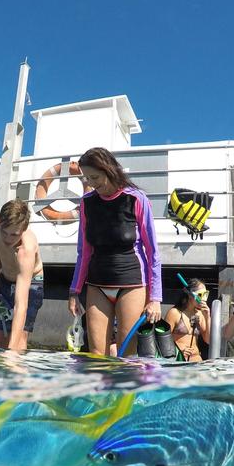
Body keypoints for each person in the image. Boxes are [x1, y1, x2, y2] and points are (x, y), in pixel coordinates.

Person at [67, 147, 162, 356]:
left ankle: (126, 389)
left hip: (132, 284)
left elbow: (153, 253)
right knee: (96, 355)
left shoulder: (136, 199)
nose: (91, 183)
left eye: (95, 177)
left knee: (126, 355)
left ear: (109, 170)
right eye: (87, 178)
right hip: (97, 284)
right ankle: (100, 389)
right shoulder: (87, 203)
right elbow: (84, 252)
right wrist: (75, 291)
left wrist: (155, 298)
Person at [0, 198, 44, 352]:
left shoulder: (26, 250)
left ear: (23, 230)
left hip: (30, 283)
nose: (7, 239)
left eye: (14, 235)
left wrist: (11, 353)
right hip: (4, 278)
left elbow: (21, 306)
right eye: (4, 232)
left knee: (18, 342)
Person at [164, 278, 211, 361]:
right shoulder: (175, 313)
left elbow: (208, 340)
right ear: (190, 295)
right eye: (201, 295)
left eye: (205, 295)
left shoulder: (200, 314)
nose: (203, 299)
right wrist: (177, 350)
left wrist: (207, 317)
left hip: (196, 360)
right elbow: (162, 339)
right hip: (179, 359)